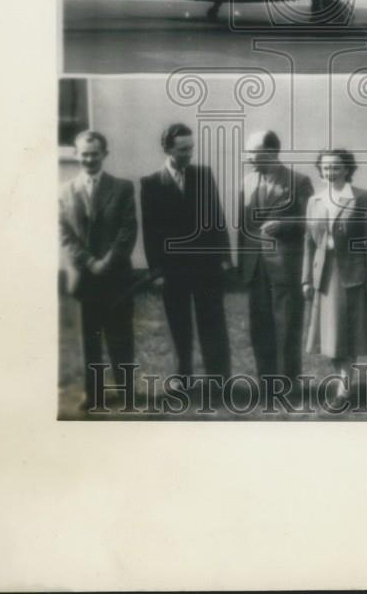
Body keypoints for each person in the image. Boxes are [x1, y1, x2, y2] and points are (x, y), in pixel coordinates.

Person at [140, 123, 231, 380]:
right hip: (173, 269)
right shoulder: (151, 184)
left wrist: (224, 258)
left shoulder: (203, 175)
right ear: (167, 149)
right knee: (179, 325)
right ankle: (184, 377)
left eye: (191, 148)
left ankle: (219, 379)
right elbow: (151, 231)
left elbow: (217, 219)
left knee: (213, 323)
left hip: (207, 266)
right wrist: (156, 271)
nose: (189, 153)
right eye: (182, 149)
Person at [59, 130, 137, 410]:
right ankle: (94, 395)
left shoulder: (123, 187)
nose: (89, 158)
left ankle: (127, 394)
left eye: (95, 153)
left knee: (121, 336)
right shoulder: (64, 191)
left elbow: (128, 230)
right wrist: (90, 262)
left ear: (105, 154)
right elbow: (64, 234)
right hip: (84, 279)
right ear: (76, 154)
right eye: (84, 153)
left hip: (116, 277)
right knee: (88, 340)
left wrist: (107, 261)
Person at [237, 130, 313, 382]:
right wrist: (242, 267)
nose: (247, 158)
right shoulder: (247, 181)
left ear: (270, 153)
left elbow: (311, 220)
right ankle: (266, 382)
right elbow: (243, 225)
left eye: (252, 153)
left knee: (287, 325)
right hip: (255, 266)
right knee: (259, 326)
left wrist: (285, 224)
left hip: (286, 265)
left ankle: (287, 383)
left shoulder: (299, 182)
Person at [302, 149, 367, 398]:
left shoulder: (362, 197)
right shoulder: (315, 200)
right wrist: (306, 278)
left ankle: (346, 383)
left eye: (336, 167)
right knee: (330, 333)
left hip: (352, 272)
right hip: (324, 273)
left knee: (349, 330)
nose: (330, 172)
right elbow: (309, 243)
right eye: (325, 168)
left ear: (347, 169)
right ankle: (341, 380)